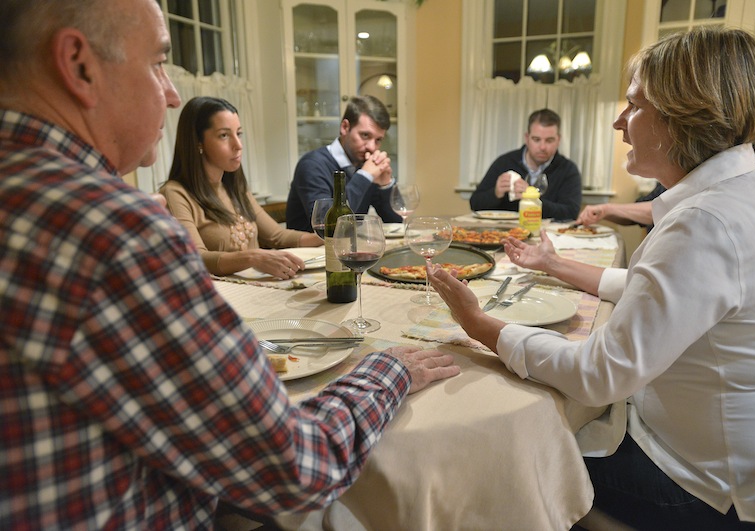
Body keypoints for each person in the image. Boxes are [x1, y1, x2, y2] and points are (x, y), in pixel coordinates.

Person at [0, 1, 460, 529]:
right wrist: (389, 370)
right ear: (79, 64)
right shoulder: (112, 233)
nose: (171, 93)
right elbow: (296, 467)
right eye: (157, 63)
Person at [430, 27, 755, 529]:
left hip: (702, 485)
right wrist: (555, 264)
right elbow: (661, 293)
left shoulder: (707, 223)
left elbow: (598, 374)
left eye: (634, 106)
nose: (618, 121)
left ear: (684, 116)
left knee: (504, 458)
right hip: (754, 468)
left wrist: (479, 325)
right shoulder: (750, 195)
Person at [161, 96, 322, 278]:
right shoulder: (175, 193)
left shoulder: (234, 187)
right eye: (224, 135)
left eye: (238, 133)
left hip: (256, 288)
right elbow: (196, 258)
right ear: (198, 142)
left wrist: (328, 237)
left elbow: (278, 236)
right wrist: (253, 257)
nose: (238, 145)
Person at [285, 95, 402, 232]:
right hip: (308, 251)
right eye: (365, 135)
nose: (372, 147)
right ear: (345, 127)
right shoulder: (312, 165)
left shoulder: (364, 165)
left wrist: (385, 185)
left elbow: (397, 222)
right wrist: (364, 176)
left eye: (378, 140)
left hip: (347, 248)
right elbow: (327, 225)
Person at [469, 109, 583, 220]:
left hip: (548, 235)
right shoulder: (504, 162)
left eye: (549, 140)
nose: (542, 147)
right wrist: (495, 193)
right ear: (527, 138)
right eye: (536, 139)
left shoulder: (568, 169)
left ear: (558, 140)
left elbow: (571, 212)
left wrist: (533, 199)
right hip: (505, 234)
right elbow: (475, 204)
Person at [576, 182, 665, 228]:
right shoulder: (662, 185)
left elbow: (661, 210)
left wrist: (606, 209)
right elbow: (633, 216)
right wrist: (603, 213)